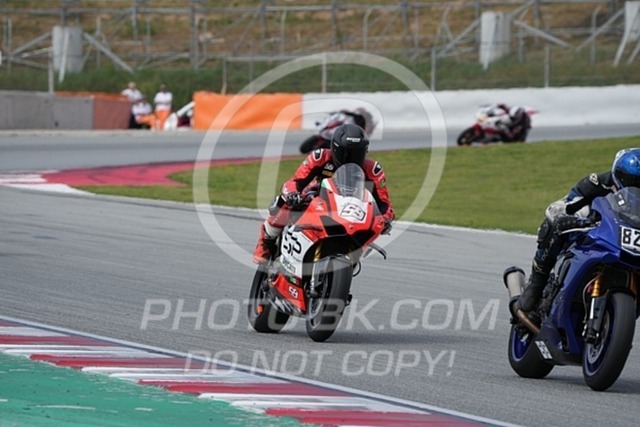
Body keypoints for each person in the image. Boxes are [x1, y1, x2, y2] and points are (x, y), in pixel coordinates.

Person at [516, 148, 640, 316]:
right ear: (617, 175)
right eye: (630, 180)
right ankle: (537, 282)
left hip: (630, 244)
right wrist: (572, 215)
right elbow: (571, 201)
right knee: (555, 224)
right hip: (599, 230)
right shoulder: (600, 182)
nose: (635, 186)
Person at [253, 123, 395, 264]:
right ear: (334, 148)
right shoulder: (319, 157)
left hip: (351, 212)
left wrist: (385, 219)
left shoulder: (373, 170)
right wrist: (292, 194)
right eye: (345, 153)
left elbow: (385, 205)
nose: (350, 158)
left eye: (356, 154)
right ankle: (266, 241)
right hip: (318, 199)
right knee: (284, 202)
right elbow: (295, 182)